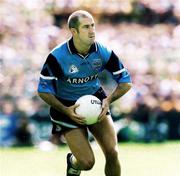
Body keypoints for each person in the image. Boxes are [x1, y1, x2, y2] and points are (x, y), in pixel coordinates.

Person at [37, 10, 132, 176]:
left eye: (93, 25)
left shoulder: (103, 51)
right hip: (66, 107)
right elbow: (43, 90)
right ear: (74, 31)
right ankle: (73, 162)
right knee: (87, 163)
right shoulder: (57, 57)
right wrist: (65, 110)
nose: (92, 30)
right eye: (86, 27)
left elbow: (126, 82)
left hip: (96, 101)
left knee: (113, 152)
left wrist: (108, 100)